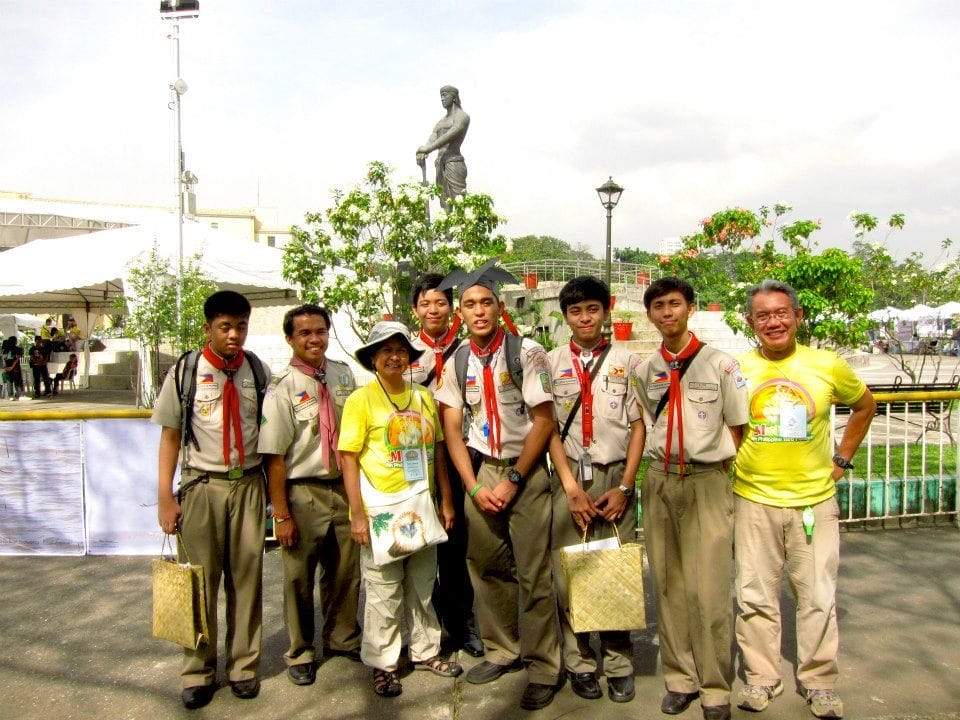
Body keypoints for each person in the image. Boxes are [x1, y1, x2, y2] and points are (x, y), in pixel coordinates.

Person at [733, 279, 876, 719]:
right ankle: (761, 677)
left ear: (797, 316)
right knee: (754, 595)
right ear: (751, 323)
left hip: (814, 501)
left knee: (817, 596)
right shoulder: (737, 368)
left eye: (781, 313)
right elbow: (732, 424)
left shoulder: (827, 364)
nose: (773, 322)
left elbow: (865, 405)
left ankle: (819, 682)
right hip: (753, 499)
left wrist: (842, 459)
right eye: (763, 315)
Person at [434, 261, 564, 711]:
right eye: (470, 304)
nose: (479, 311)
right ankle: (502, 649)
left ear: (499, 306)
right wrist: (472, 487)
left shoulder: (527, 352)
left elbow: (544, 421)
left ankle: (543, 666)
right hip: (482, 472)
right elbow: (452, 429)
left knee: (534, 573)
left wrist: (513, 479)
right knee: (487, 567)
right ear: (460, 313)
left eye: (486, 302)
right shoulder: (458, 360)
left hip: (524, 473)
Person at [632, 277, 749, 720]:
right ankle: (680, 678)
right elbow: (646, 420)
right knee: (668, 584)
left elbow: (737, 427)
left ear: (690, 308)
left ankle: (715, 686)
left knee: (710, 589)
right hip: (661, 480)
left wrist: (710, 463)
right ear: (649, 315)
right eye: (659, 306)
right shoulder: (646, 370)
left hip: (706, 481)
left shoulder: (721, 365)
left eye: (675, 304)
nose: (667, 313)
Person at [152, 290, 271, 710]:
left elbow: (270, 435)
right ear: (208, 328)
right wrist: (164, 497)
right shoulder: (186, 372)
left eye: (240, 326)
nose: (234, 334)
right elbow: (170, 437)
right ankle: (198, 671)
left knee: (247, 580)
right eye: (225, 327)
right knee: (199, 582)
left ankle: (243, 667)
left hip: (248, 485)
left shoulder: (257, 371)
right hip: (201, 486)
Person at [338, 321, 461, 697]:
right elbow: (348, 458)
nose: (395, 357)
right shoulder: (360, 400)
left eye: (401, 350)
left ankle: (426, 652)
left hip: (421, 505)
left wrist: (446, 499)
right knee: (383, 591)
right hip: (381, 509)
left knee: (422, 586)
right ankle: (383, 663)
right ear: (373, 358)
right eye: (386, 350)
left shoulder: (422, 396)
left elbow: (437, 449)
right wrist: (358, 515)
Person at [546, 276, 644, 704]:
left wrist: (625, 486)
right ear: (566, 316)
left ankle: (619, 663)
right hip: (571, 478)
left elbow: (639, 426)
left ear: (607, 311)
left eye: (592, 309)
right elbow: (548, 428)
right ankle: (580, 661)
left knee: (616, 568)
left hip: (614, 475)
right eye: (576, 311)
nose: (585, 318)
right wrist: (569, 487)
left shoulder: (629, 361)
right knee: (570, 572)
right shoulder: (550, 362)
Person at [258, 304, 361, 687]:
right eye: (304, 333)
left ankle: (342, 637)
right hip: (302, 492)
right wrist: (281, 515)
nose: (314, 339)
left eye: (320, 331)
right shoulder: (282, 387)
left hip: (342, 487)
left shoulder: (342, 374)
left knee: (345, 571)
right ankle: (301, 651)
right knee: (298, 577)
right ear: (290, 339)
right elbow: (275, 456)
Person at [407, 272, 484, 659]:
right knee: (420, 545)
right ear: (415, 310)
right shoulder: (403, 351)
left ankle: (462, 622)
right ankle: (428, 625)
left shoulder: (469, 350)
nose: (433, 310)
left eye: (441, 302)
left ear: (452, 308)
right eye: (426, 303)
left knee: (458, 545)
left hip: (461, 455)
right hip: (417, 460)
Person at [416, 85, 469, 208]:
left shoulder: (462, 116)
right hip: (440, 163)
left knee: (459, 201)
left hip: (453, 162)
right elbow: (431, 139)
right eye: (441, 96)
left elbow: (451, 134)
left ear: (454, 97)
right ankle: (445, 221)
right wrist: (422, 152)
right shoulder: (440, 122)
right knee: (444, 202)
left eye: (445, 95)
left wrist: (428, 149)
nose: (442, 99)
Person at [2, 336, 24, 401]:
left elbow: (4, 359)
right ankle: (18, 395)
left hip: (8, 366)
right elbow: (17, 359)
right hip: (15, 367)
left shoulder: (5, 350)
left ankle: (10, 395)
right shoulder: (18, 349)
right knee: (17, 380)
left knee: (9, 380)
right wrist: (12, 367)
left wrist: (5, 367)